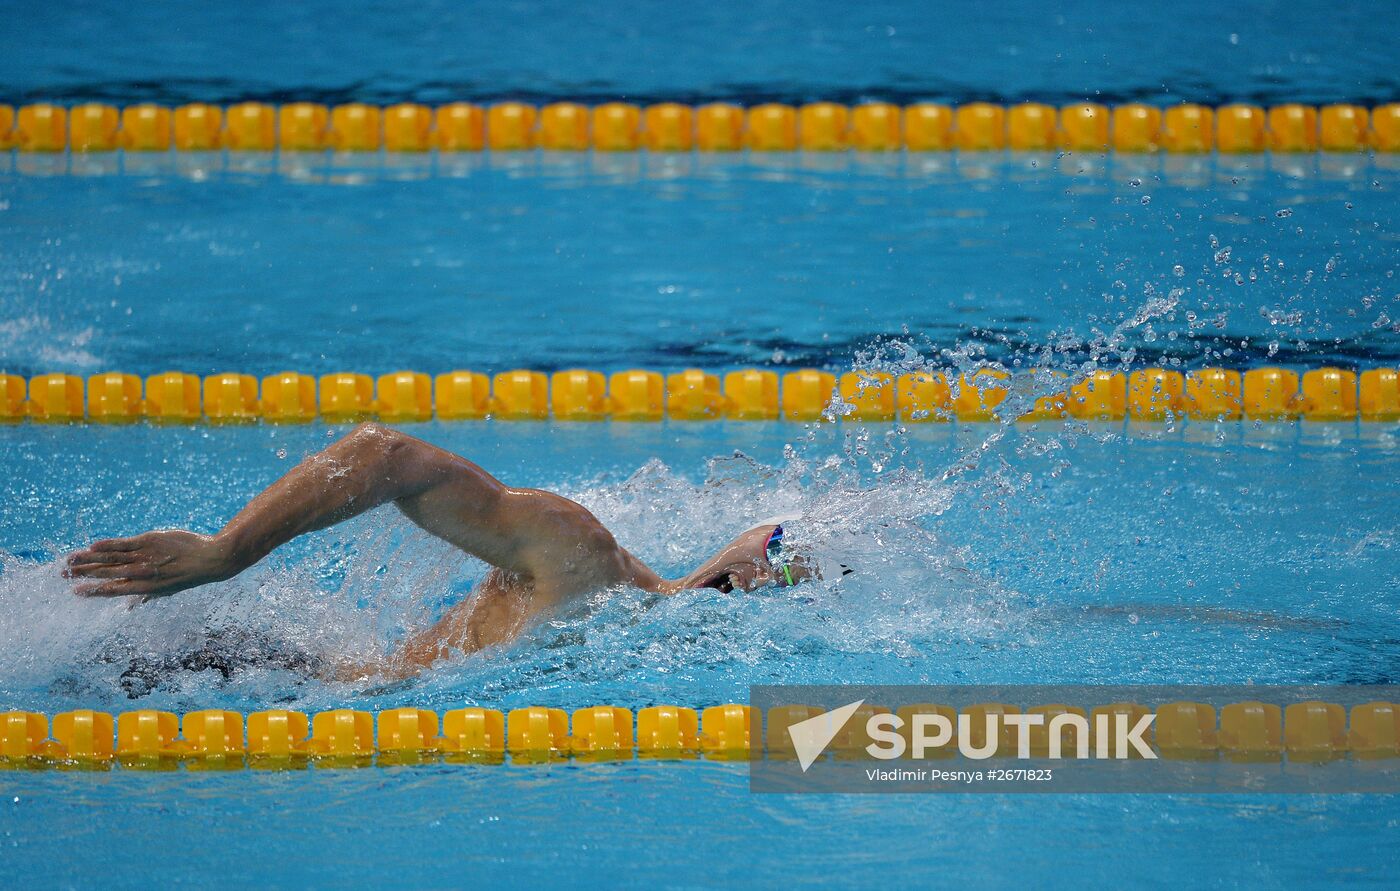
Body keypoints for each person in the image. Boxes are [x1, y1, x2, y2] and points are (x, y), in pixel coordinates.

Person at [65, 423, 816, 679]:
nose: (768, 574)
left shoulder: (632, 620)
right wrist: (225, 552)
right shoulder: (582, 553)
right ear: (739, 556)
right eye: (779, 551)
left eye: (786, 572)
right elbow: (386, 454)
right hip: (285, 682)